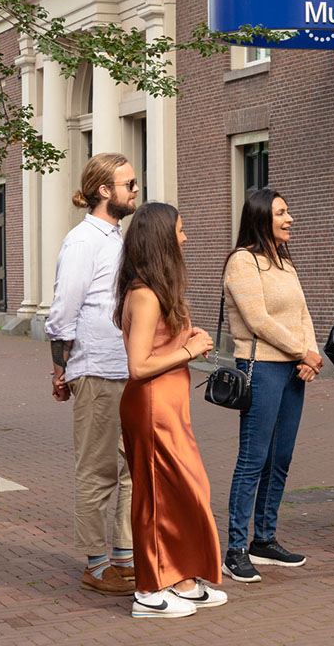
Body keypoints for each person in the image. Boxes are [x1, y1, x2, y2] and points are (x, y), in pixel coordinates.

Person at [116, 202, 227, 618]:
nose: (185, 237)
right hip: (151, 407)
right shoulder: (144, 294)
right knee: (156, 496)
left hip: (168, 406)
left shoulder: (156, 290)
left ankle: (179, 576)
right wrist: (188, 349)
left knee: (183, 491)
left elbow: (158, 349)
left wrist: (186, 341)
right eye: (180, 230)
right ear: (162, 238)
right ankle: (148, 590)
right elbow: (138, 365)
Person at [45, 152, 140, 597]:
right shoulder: (82, 241)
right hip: (97, 368)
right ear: (105, 191)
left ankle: (124, 555)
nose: (136, 190)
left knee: (129, 470)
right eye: (129, 184)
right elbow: (63, 310)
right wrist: (62, 367)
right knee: (96, 469)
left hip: (127, 367)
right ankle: (96, 563)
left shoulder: (121, 239)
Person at [222, 189, 322, 583]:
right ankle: (235, 548)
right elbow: (258, 320)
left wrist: (310, 354)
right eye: (282, 212)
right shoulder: (242, 262)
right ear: (262, 217)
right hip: (261, 368)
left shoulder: (284, 262)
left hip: (293, 370)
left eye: (288, 210)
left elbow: (303, 313)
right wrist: (302, 352)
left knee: (280, 459)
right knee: (253, 460)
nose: (290, 218)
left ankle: (264, 539)